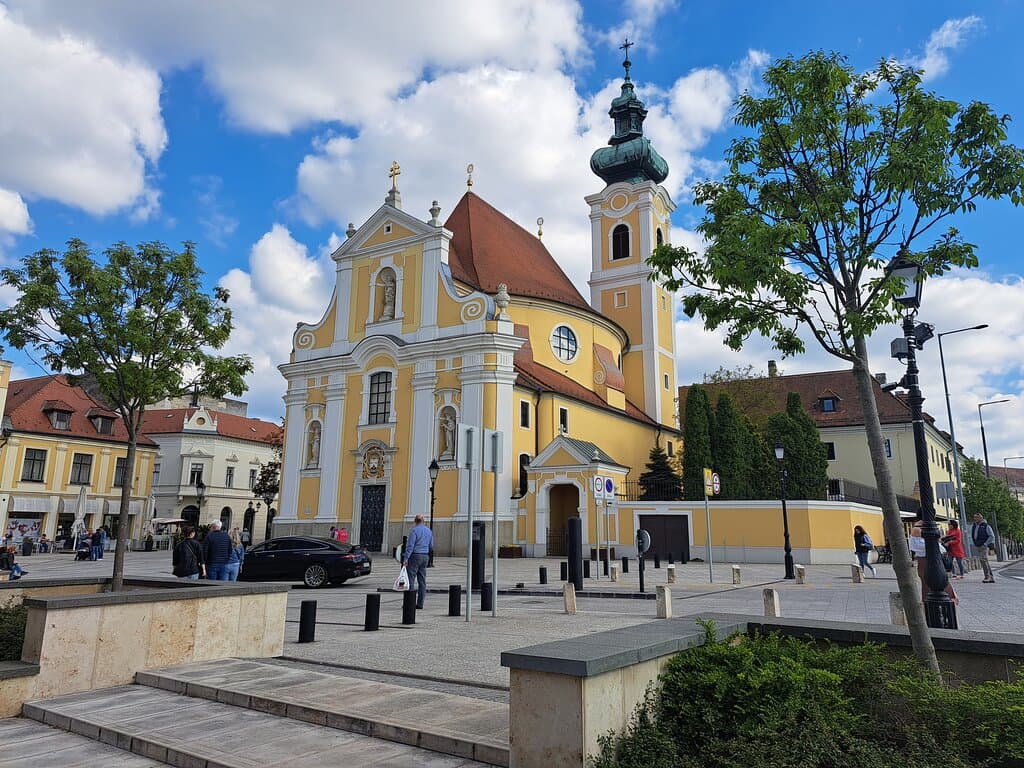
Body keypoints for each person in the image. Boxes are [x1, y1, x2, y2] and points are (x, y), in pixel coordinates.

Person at [908, 524, 958, 605]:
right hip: (928, 558)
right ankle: (947, 599)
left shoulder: (920, 529)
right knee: (933, 580)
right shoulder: (918, 529)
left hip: (930, 558)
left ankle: (934, 602)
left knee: (931, 581)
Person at [402, 514, 433, 610]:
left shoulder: (414, 531)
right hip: (425, 556)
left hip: (415, 555)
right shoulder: (429, 531)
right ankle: (420, 603)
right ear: (423, 521)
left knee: (410, 579)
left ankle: (409, 602)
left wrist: (406, 558)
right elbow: (431, 545)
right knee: (422, 581)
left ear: (415, 521)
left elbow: (410, 546)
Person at [970, 513, 996, 583]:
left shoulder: (986, 526)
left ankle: (987, 576)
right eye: (974, 517)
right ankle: (991, 577)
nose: (975, 519)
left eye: (976, 518)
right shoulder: (975, 525)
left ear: (981, 518)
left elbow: (992, 536)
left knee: (983, 560)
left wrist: (985, 544)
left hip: (983, 546)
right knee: (984, 561)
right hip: (978, 545)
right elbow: (973, 535)